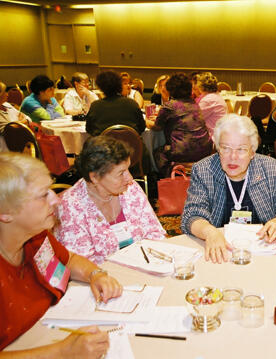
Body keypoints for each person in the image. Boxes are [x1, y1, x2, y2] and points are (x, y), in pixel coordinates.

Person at [0, 152, 122, 355]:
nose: (56, 200)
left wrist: (95, 274)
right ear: (6, 213)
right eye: (43, 195)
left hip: (48, 329)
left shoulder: (37, 238)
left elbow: (68, 259)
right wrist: (63, 352)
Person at [181, 114, 276, 263]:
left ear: (252, 152)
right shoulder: (203, 170)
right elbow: (191, 216)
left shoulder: (271, 168)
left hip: (264, 253)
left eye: (241, 149)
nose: (233, 157)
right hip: (221, 254)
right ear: (217, 148)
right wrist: (210, 232)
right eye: (226, 148)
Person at [54, 136, 165, 264]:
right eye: (121, 173)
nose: (129, 178)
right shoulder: (72, 207)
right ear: (94, 177)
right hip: (103, 279)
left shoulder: (130, 189)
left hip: (144, 267)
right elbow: (83, 264)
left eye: (128, 169)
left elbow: (154, 232)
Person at [150, 73, 213, 177]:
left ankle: (172, 175)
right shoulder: (194, 104)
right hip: (205, 148)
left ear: (171, 89)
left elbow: (157, 126)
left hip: (183, 151)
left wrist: (147, 122)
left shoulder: (170, 106)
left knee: (158, 153)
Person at [85, 70, 145, 136]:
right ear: (119, 85)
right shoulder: (132, 104)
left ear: (100, 88)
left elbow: (89, 129)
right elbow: (142, 127)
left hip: (104, 145)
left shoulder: (95, 106)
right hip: (130, 145)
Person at [195, 72, 228, 137]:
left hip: (213, 137)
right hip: (220, 134)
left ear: (201, 86)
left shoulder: (208, 100)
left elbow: (195, 119)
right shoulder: (216, 96)